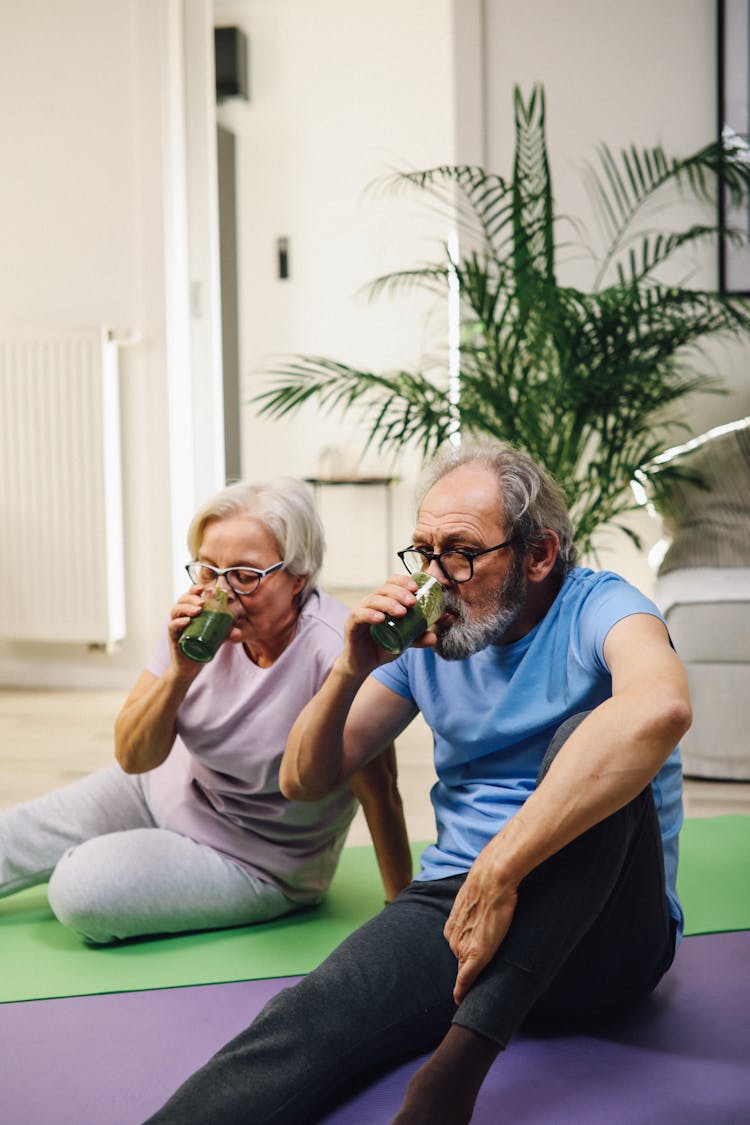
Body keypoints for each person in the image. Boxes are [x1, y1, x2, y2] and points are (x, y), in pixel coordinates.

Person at [145, 440, 691, 1125]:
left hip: (606, 939)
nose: (436, 575)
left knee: (594, 738)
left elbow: (660, 705)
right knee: (303, 1019)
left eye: (459, 552)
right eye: (423, 551)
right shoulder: (429, 638)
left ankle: (454, 1071)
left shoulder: (602, 607)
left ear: (539, 554)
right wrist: (351, 667)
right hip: (456, 911)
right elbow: (303, 779)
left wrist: (500, 867)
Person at [0, 477, 412, 944]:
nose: (221, 592)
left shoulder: (338, 652)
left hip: (256, 858)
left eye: (245, 575)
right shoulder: (195, 620)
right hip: (162, 786)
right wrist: (180, 672)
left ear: (298, 577)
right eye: (208, 570)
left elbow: (382, 794)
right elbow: (134, 759)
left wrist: (401, 922)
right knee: (9, 837)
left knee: (80, 889)